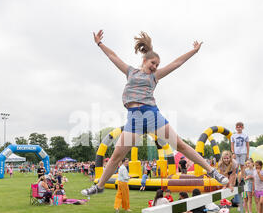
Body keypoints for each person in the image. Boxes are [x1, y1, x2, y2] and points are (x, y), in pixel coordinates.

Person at [81, 30, 228, 196]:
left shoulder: (155, 76)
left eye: (157, 65)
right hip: (134, 118)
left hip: (151, 115)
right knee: (116, 155)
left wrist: (193, 51)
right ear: (144, 60)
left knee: (179, 144)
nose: (155, 67)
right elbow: (113, 56)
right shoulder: (130, 71)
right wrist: (99, 43)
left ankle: (211, 171)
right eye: (153, 63)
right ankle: (99, 186)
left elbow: (176, 63)